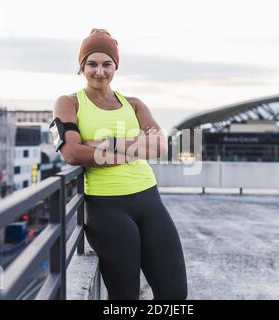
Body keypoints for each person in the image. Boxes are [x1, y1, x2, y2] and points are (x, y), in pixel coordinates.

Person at [52, 28, 187, 300]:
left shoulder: (134, 104)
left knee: (175, 294)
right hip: (105, 207)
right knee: (125, 298)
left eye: (106, 64)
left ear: (116, 66)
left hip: (150, 200)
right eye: (91, 63)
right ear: (81, 67)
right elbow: (72, 154)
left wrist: (104, 144)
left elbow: (160, 146)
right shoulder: (68, 103)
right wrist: (135, 147)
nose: (99, 71)